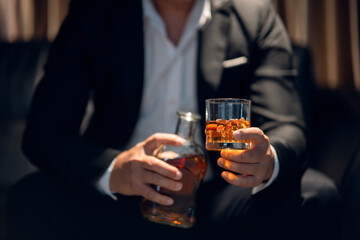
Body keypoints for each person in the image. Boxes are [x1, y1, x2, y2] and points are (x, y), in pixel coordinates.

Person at [6, 0, 341, 239]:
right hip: (118, 200)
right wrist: (113, 169)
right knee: (31, 198)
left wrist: (267, 159)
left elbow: (288, 126)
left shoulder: (254, 13)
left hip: (218, 200)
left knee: (316, 195)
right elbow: (42, 133)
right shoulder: (95, 11)